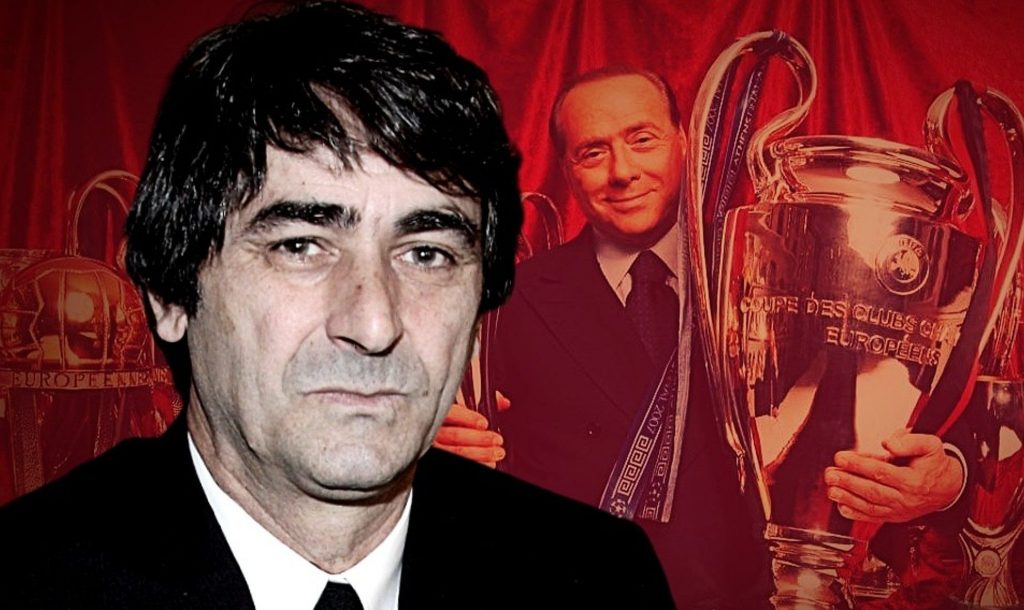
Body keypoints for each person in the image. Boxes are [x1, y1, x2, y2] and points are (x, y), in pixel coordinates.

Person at [0, 5, 675, 609]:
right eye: (300, 246)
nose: (375, 324)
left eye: (427, 254)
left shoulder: (600, 581)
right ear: (170, 292)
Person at [439, 66, 970, 608]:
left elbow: (900, 409)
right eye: (592, 153)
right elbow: (457, 468)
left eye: (642, 140)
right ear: (567, 170)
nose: (622, 171)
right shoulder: (506, 300)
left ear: (683, 143)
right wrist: (432, 451)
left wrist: (947, 478)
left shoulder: (783, 269)